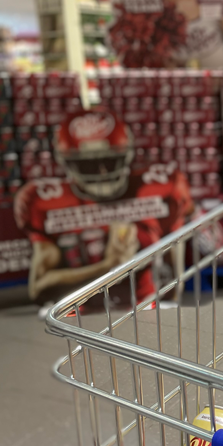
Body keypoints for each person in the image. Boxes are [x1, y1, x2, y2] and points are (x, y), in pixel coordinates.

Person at [14, 111, 192, 310]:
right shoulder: (44, 201)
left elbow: (176, 259)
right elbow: (38, 288)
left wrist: (172, 299)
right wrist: (109, 266)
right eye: (88, 164)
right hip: (84, 314)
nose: (101, 172)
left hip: (149, 306)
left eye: (109, 161)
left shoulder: (162, 187)